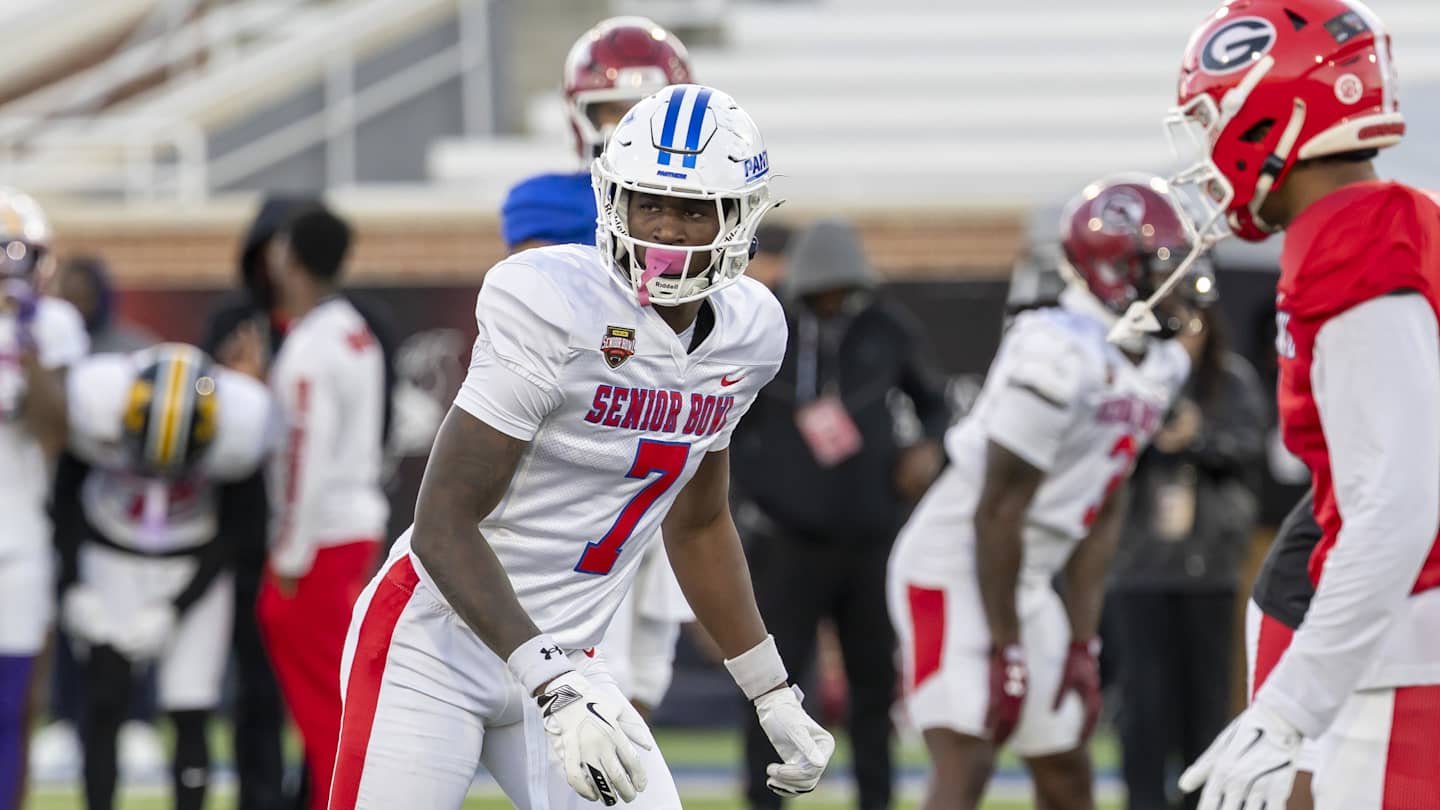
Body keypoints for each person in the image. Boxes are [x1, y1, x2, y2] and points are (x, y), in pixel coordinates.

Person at [328, 84, 833, 810]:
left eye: (693, 210)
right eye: (648, 204)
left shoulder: (750, 333)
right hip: (435, 642)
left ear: (739, 216)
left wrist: (770, 689)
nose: (665, 229)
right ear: (612, 200)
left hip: (568, 653)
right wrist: (553, 685)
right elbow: (442, 523)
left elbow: (697, 523)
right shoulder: (553, 301)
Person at [1153, 3, 1440, 808]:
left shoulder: (1354, 238)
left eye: (1212, 118)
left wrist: (1289, 708)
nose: (1208, 146)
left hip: (1405, 664)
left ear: (1273, 112)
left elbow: (1397, 503)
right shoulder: (1402, 218)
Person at [888, 175, 1199, 810]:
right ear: (1113, 269)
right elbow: (997, 509)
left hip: (1024, 577)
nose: (1180, 282)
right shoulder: (1055, 349)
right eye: (1162, 265)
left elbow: (1104, 503)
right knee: (969, 754)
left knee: (1065, 761)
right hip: (954, 563)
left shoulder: (1160, 363)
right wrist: (1006, 646)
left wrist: (1084, 641)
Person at [499, 16, 700, 722]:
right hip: (586, 445)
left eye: (646, 112)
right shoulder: (545, 202)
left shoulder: (702, 211)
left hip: (667, 441)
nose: (628, 128)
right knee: (593, 659)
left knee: (647, 667)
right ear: (580, 115)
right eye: (614, 111)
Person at [732, 218, 950, 810]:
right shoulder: (769, 325)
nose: (833, 299)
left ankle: (877, 800)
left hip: (870, 538)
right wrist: (760, 490)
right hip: (787, 539)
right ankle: (764, 799)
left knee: (873, 688)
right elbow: (731, 419)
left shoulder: (887, 327)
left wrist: (928, 446)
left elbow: (935, 403)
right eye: (823, 290)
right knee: (771, 686)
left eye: (843, 289)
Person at [202, 194, 398, 810]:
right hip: (352, 527)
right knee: (342, 701)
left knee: (324, 713)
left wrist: (288, 553)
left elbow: (304, 460)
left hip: (317, 542)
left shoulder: (312, 348)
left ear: (290, 258)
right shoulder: (354, 330)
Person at [55, 343, 272, 810]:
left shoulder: (240, 427)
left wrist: (176, 607)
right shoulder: (97, 404)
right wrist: (72, 585)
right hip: (111, 558)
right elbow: (65, 496)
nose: (160, 474)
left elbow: (238, 531)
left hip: (195, 562)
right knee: (105, 702)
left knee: (191, 708)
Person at [1104, 270, 1267, 810]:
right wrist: (1151, 433)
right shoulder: (1130, 380)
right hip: (1139, 566)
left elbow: (1251, 449)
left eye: (1192, 323)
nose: (1183, 336)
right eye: (1172, 323)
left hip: (1209, 567)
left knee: (1207, 702)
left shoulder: (1232, 382)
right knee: (1142, 705)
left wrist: (1199, 438)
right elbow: (1102, 452)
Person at [0, 188, 89, 810]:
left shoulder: (52, 325)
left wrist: (28, 348)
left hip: (19, 538)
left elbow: (56, 434)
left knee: (12, 706)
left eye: (18, 251)